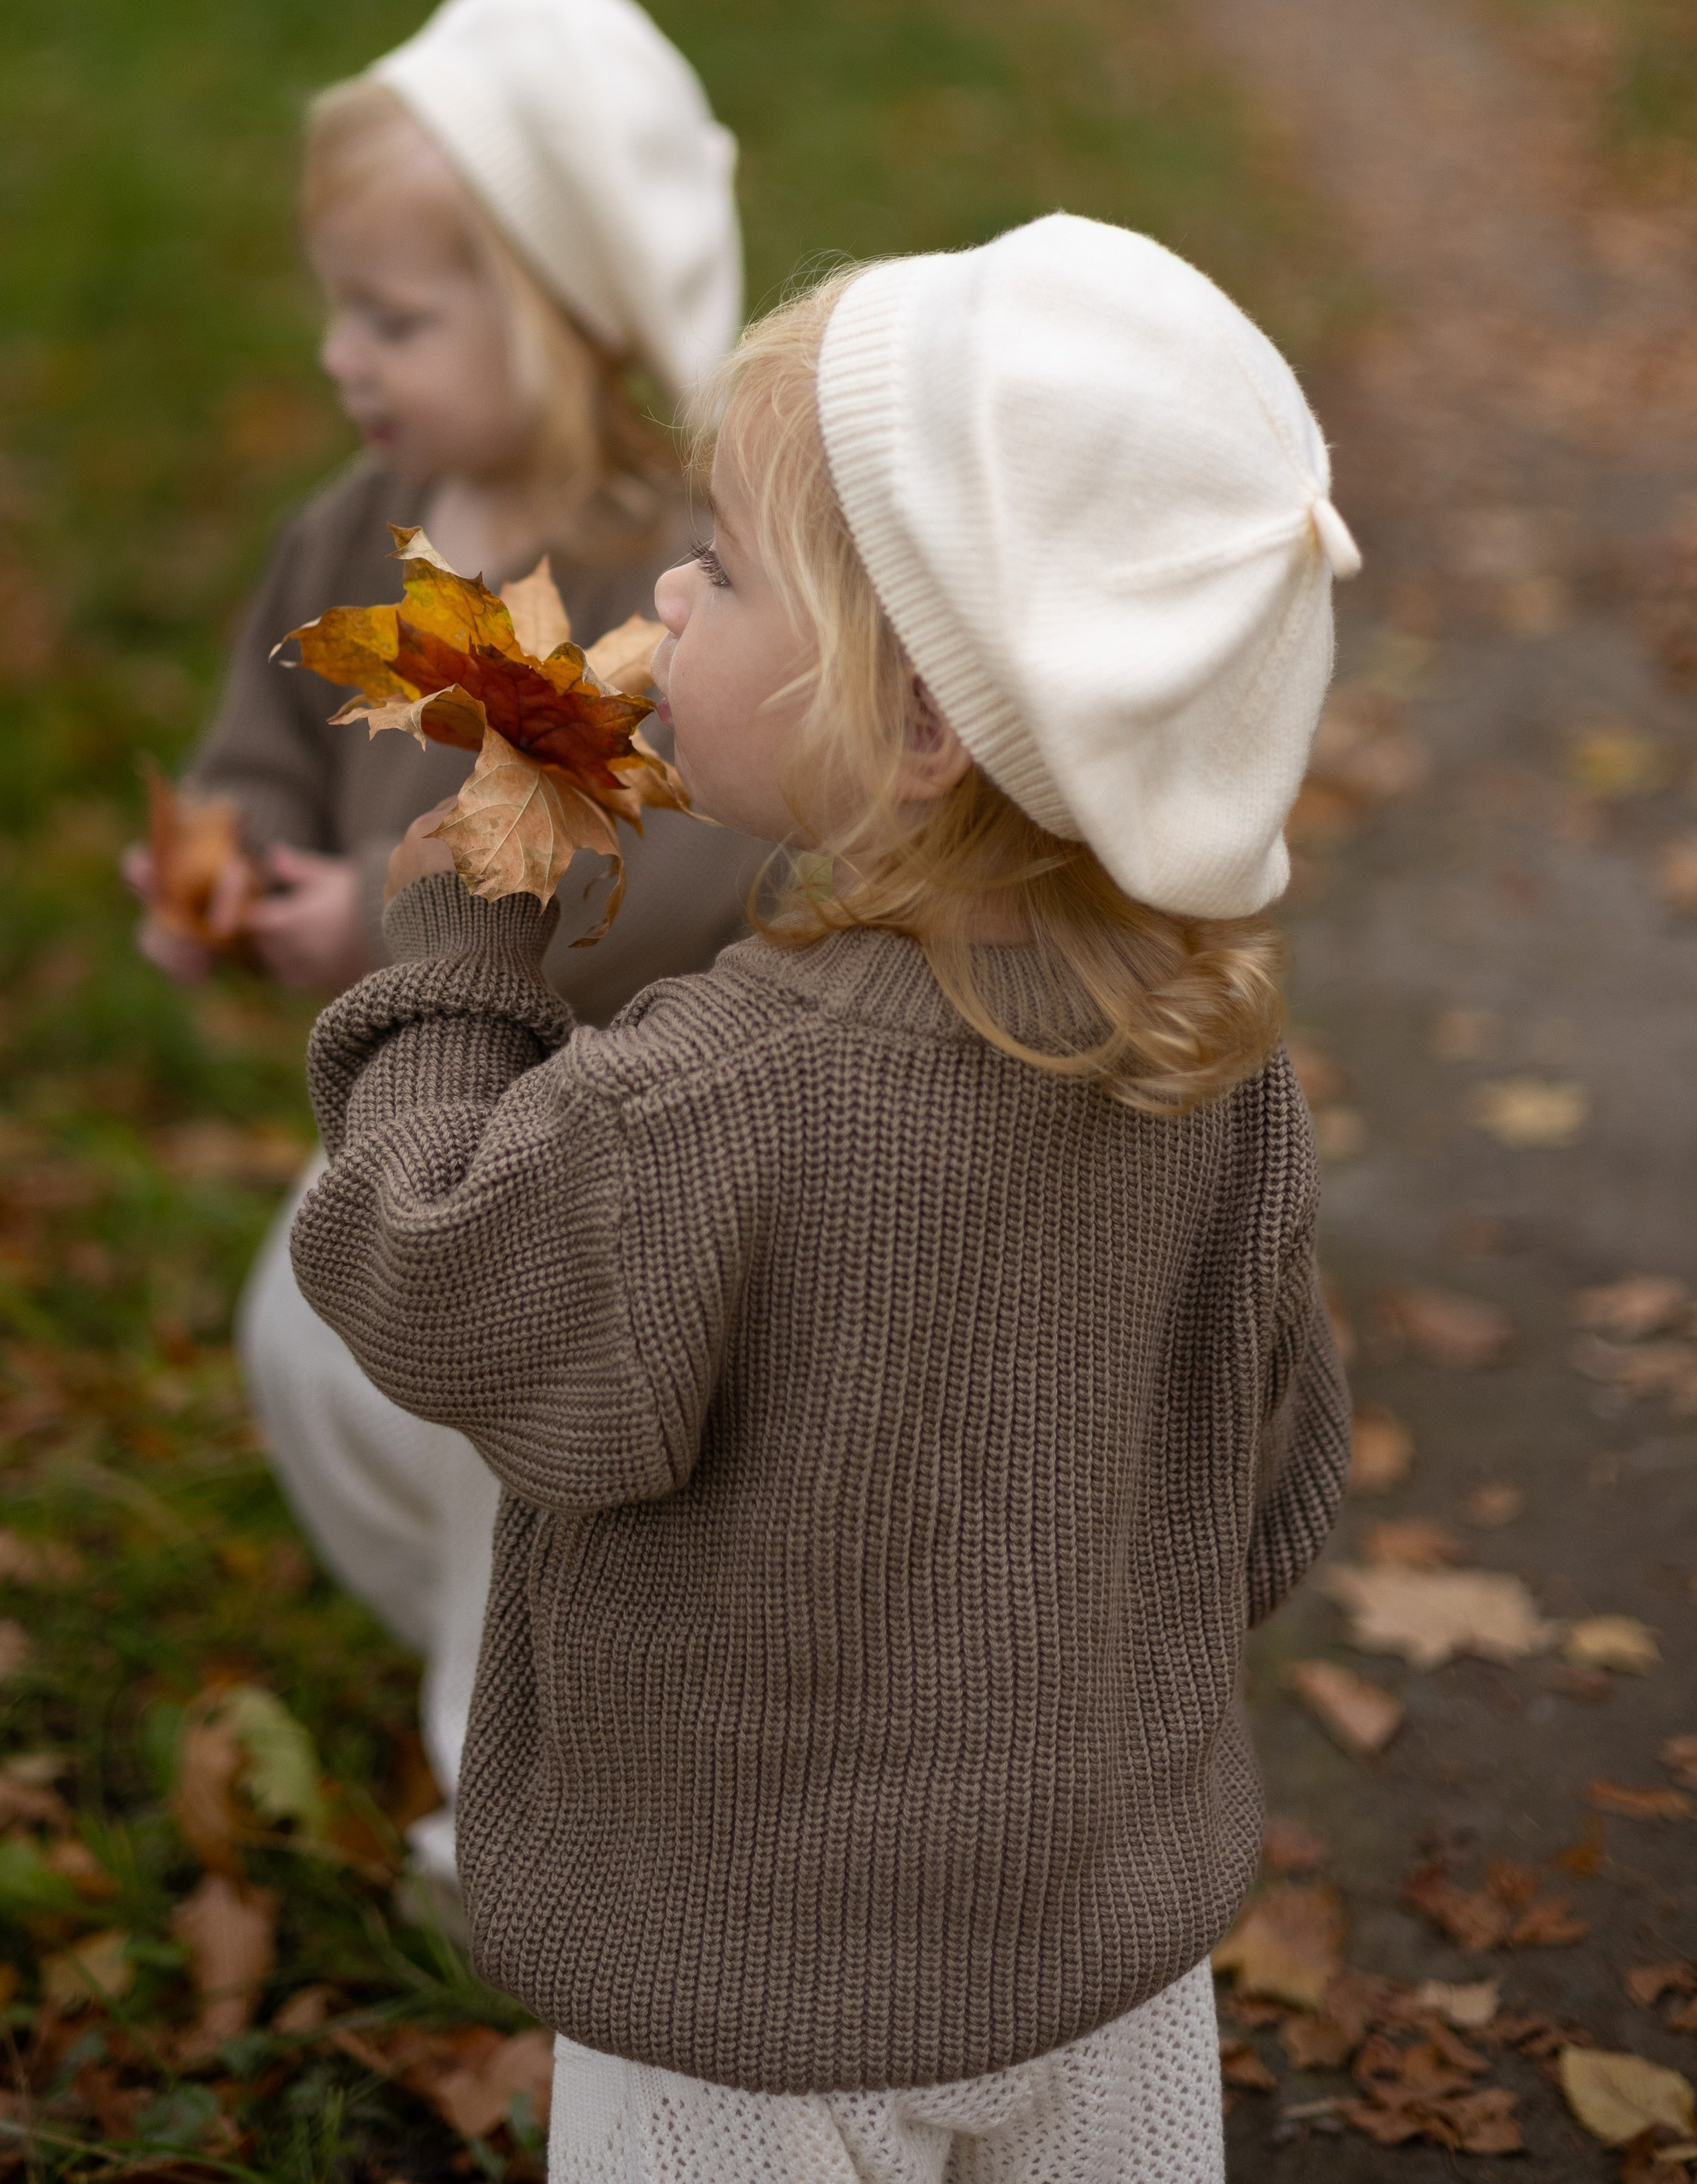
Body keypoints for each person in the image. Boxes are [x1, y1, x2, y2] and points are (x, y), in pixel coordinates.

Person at [291, 213, 1357, 2183]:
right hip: (1100, 1966)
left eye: (726, 567)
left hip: (739, 2000)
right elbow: (1266, 1486)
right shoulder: (1213, 1071)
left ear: (926, 718)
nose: (667, 599)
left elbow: (429, 1273)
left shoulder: (717, 1095)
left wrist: (459, 954)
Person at [125, 0, 763, 1910]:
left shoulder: (667, 581)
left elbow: (679, 869)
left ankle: (523, 1812)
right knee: (310, 1345)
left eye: (393, 316)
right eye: (339, 303)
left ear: (563, 308)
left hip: (598, 1157)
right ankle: (517, 1651)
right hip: (401, 1123)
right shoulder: (360, 533)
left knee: (513, 1446)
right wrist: (218, 864)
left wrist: (397, 927)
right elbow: (255, 734)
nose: (341, 354)